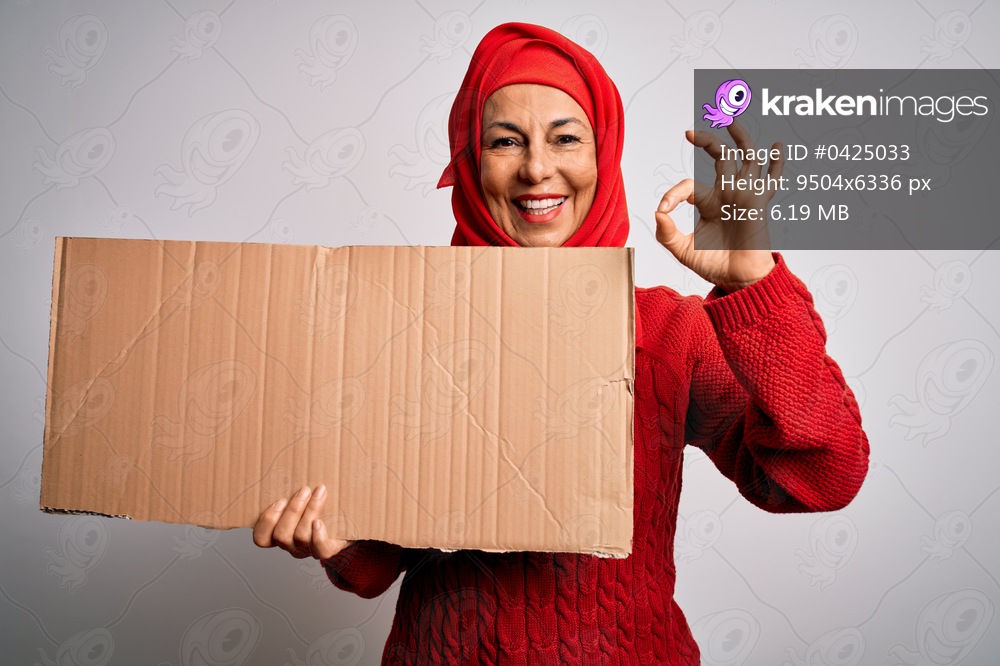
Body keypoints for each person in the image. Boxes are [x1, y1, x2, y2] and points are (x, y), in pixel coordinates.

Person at [252, 22, 869, 664]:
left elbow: (824, 477)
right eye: (505, 141)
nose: (537, 168)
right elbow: (382, 557)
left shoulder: (665, 334)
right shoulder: (413, 323)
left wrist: (754, 284)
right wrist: (328, 535)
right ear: (471, 161)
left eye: (566, 138)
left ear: (603, 155)